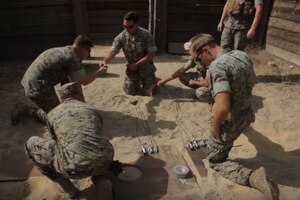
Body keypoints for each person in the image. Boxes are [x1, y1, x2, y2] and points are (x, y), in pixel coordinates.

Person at [187, 33, 278, 200]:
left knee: (214, 160)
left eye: (198, 60)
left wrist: (215, 127)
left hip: (230, 123)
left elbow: (222, 108)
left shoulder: (217, 67)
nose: (199, 64)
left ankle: (252, 178)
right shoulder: (241, 55)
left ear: (205, 51)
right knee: (203, 92)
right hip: (247, 114)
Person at [25, 82, 116, 199]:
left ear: (62, 99)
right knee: (95, 145)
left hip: (73, 169)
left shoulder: (52, 114)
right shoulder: (92, 109)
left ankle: (68, 188)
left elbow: (56, 141)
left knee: (31, 144)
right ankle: (101, 179)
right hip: (106, 161)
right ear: (80, 96)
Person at [11, 35, 108, 125]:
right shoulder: (73, 58)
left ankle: (68, 107)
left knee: (69, 86)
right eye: (89, 52)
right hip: (37, 87)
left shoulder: (66, 50)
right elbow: (83, 81)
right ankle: (26, 110)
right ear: (83, 49)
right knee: (58, 119)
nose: (88, 55)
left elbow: (71, 82)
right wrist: (99, 73)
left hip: (32, 80)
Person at [99, 11, 158, 96]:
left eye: (129, 26)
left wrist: (137, 64)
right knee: (129, 91)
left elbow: (152, 54)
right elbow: (113, 51)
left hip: (146, 68)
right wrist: (105, 61)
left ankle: (149, 79)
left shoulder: (146, 35)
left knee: (150, 92)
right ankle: (137, 81)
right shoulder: (121, 37)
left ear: (136, 24)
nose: (126, 29)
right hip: (132, 69)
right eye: (124, 26)